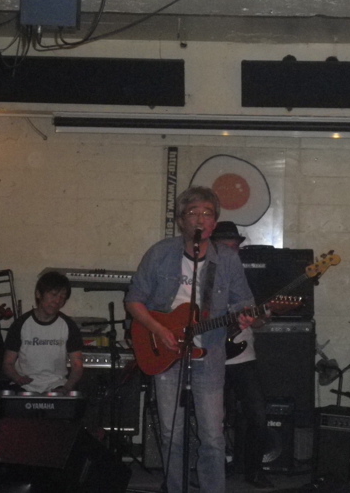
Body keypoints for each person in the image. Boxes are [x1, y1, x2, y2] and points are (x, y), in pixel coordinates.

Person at [126, 186, 257, 493]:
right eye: (193, 213)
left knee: (212, 435)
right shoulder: (160, 253)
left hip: (208, 353)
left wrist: (247, 317)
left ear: (215, 222)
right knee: (172, 433)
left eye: (207, 213)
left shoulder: (227, 260)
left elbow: (244, 303)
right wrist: (160, 331)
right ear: (181, 220)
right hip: (165, 351)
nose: (200, 219)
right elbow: (134, 300)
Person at [212, 221, 273, 489]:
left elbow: (262, 319)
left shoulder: (247, 277)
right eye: (226, 246)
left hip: (241, 355)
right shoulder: (202, 276)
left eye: (234, 247)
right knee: (214, 418)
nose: (231, 252)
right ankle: (217, 468)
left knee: (257, 413)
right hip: (209, 355)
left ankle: (254, 469)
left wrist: (256, 319)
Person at [3, 271, 84, 394]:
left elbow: (77, 366)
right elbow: (8, 363)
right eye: (53, 295)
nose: (57, 301)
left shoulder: (68, 325)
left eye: (62, 297)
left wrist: (67, 388)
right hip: (25, 385)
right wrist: (18, 378)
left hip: (57, 384)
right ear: (38, 294)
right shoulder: (21, 324)